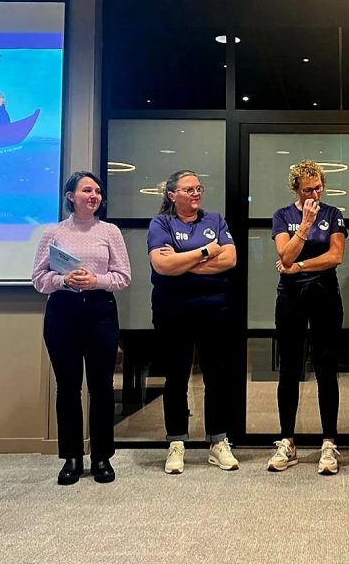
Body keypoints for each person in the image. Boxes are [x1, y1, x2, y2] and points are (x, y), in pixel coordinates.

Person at [32, 171, 131, 485]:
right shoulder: (53, 232)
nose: (94, 196)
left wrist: (95, 280)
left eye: (97, 191)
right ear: (70, 196)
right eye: (87, 190)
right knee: (68, 387)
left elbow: (123, 276)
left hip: (100, 312)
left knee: (102, 387)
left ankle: (102, 456)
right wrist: (64, 279)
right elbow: (38, 279)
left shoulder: (110, 231)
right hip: (63, 313)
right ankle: (72, 457)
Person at [148, 170, 239, 473]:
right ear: (172, 195)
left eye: (199, 188)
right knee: (176, 377)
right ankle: (176, 442)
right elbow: (162, 265)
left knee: (217, 375)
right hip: (172, 311)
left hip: (214, 310)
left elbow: (230, 259)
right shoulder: (161, 223)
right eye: (189, 190)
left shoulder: (215, 220)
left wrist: (183, 261)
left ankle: (218, 441)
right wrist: (205, 252)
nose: (196, 193)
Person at [268, 160, 346, 474]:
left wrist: (299, 266)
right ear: (296, 190)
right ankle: (287, 441)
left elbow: (335, 256)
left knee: (326, 368)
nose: (314, 194)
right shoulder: (282, 215)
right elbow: (284, 255)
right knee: (289, 368)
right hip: (291, 297)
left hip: (325, 295)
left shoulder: (333, 214)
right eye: (308, 190)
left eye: (318, 188)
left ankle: (329, 442)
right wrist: (305, 225)